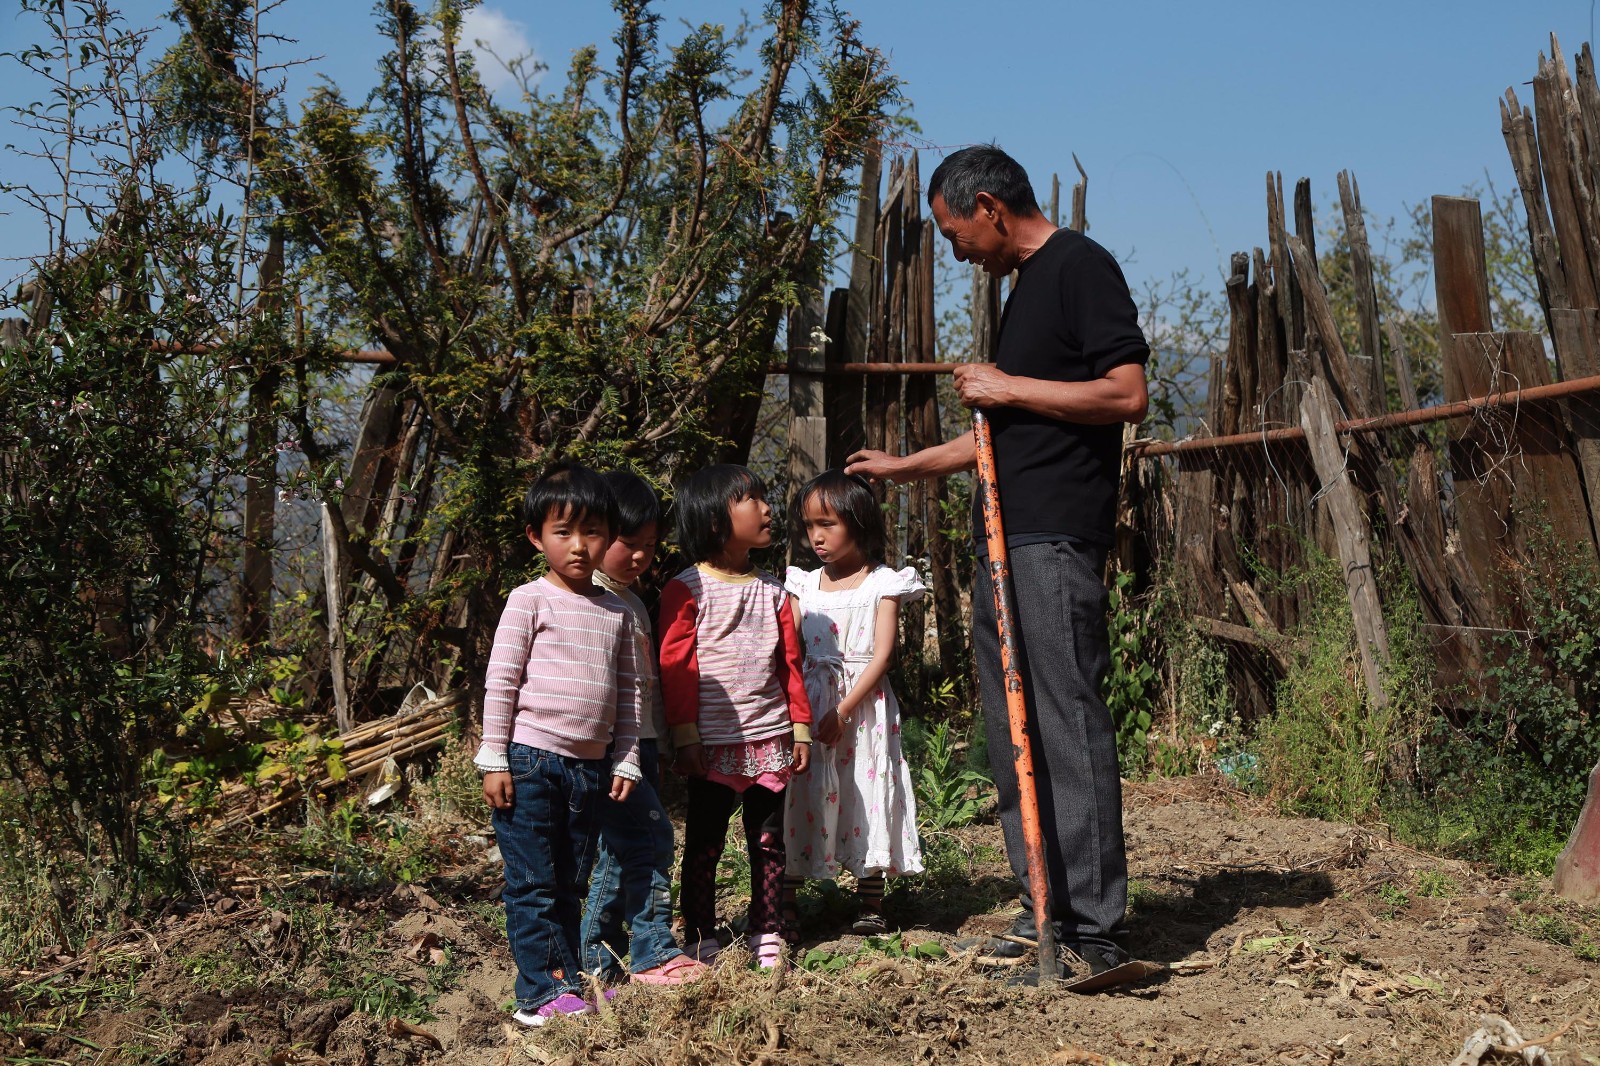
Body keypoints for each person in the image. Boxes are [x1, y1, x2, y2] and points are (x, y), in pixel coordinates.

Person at [846, 144, 1150, 982]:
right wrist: (907, 467)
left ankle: (1090, 930)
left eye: (954, 233)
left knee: (1064, 721)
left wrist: (1007, 389)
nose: (955, 251)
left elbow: (1126, 394)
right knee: (1009, 730)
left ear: (987, 204)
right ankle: (1043, 904)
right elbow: (1007, 429)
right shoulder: (1022, 294)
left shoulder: (1079, 266)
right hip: (1003, 536)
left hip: (1052, 539)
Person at [475, 461, 643, 1026]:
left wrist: (626, 755)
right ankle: (539, 994)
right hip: (529, 761)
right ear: (536, 536)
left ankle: (568, 982)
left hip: (589, 770)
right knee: (534, 882)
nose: (578, 546)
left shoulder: (617, 612)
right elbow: (501, 680)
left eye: (592, 532)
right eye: (562, 532)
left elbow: (629, 692)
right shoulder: (529, 601)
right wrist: (494, 756)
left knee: (572, 879)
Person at [658, 464, 814, 970]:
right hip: (711, 745)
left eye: (764, 497)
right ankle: (700, 931)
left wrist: (801, 728)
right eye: (751, 499)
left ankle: (766, 929)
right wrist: (686, 738)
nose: (767, 509)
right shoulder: (686, 590)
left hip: (770, 739)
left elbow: (791, 665)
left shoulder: (774, 593)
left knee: (768, 838)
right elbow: (675, 669)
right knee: (704, 840)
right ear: (712, 519)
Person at [578, 471, 709, 987]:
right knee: (652, 836)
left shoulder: (629, 599)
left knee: (623, 846)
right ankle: (652, 950)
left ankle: (595, 951)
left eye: (649, 546)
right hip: (613, 748)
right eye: (627, 544)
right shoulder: (590, 598)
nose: (640, 557)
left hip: (643, 742)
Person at [781, 470, 925, 936]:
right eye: (809, 525)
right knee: (804, 790)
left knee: (865, 788)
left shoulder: (883, 582)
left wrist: (842, 711)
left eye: (828, 524)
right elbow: (789, 645)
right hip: (811, 700)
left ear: (859, 522)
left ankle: (870, 902)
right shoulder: (803, 584)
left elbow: (882, 654)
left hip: (862, 709)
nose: (816, 536)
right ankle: (785, 899)